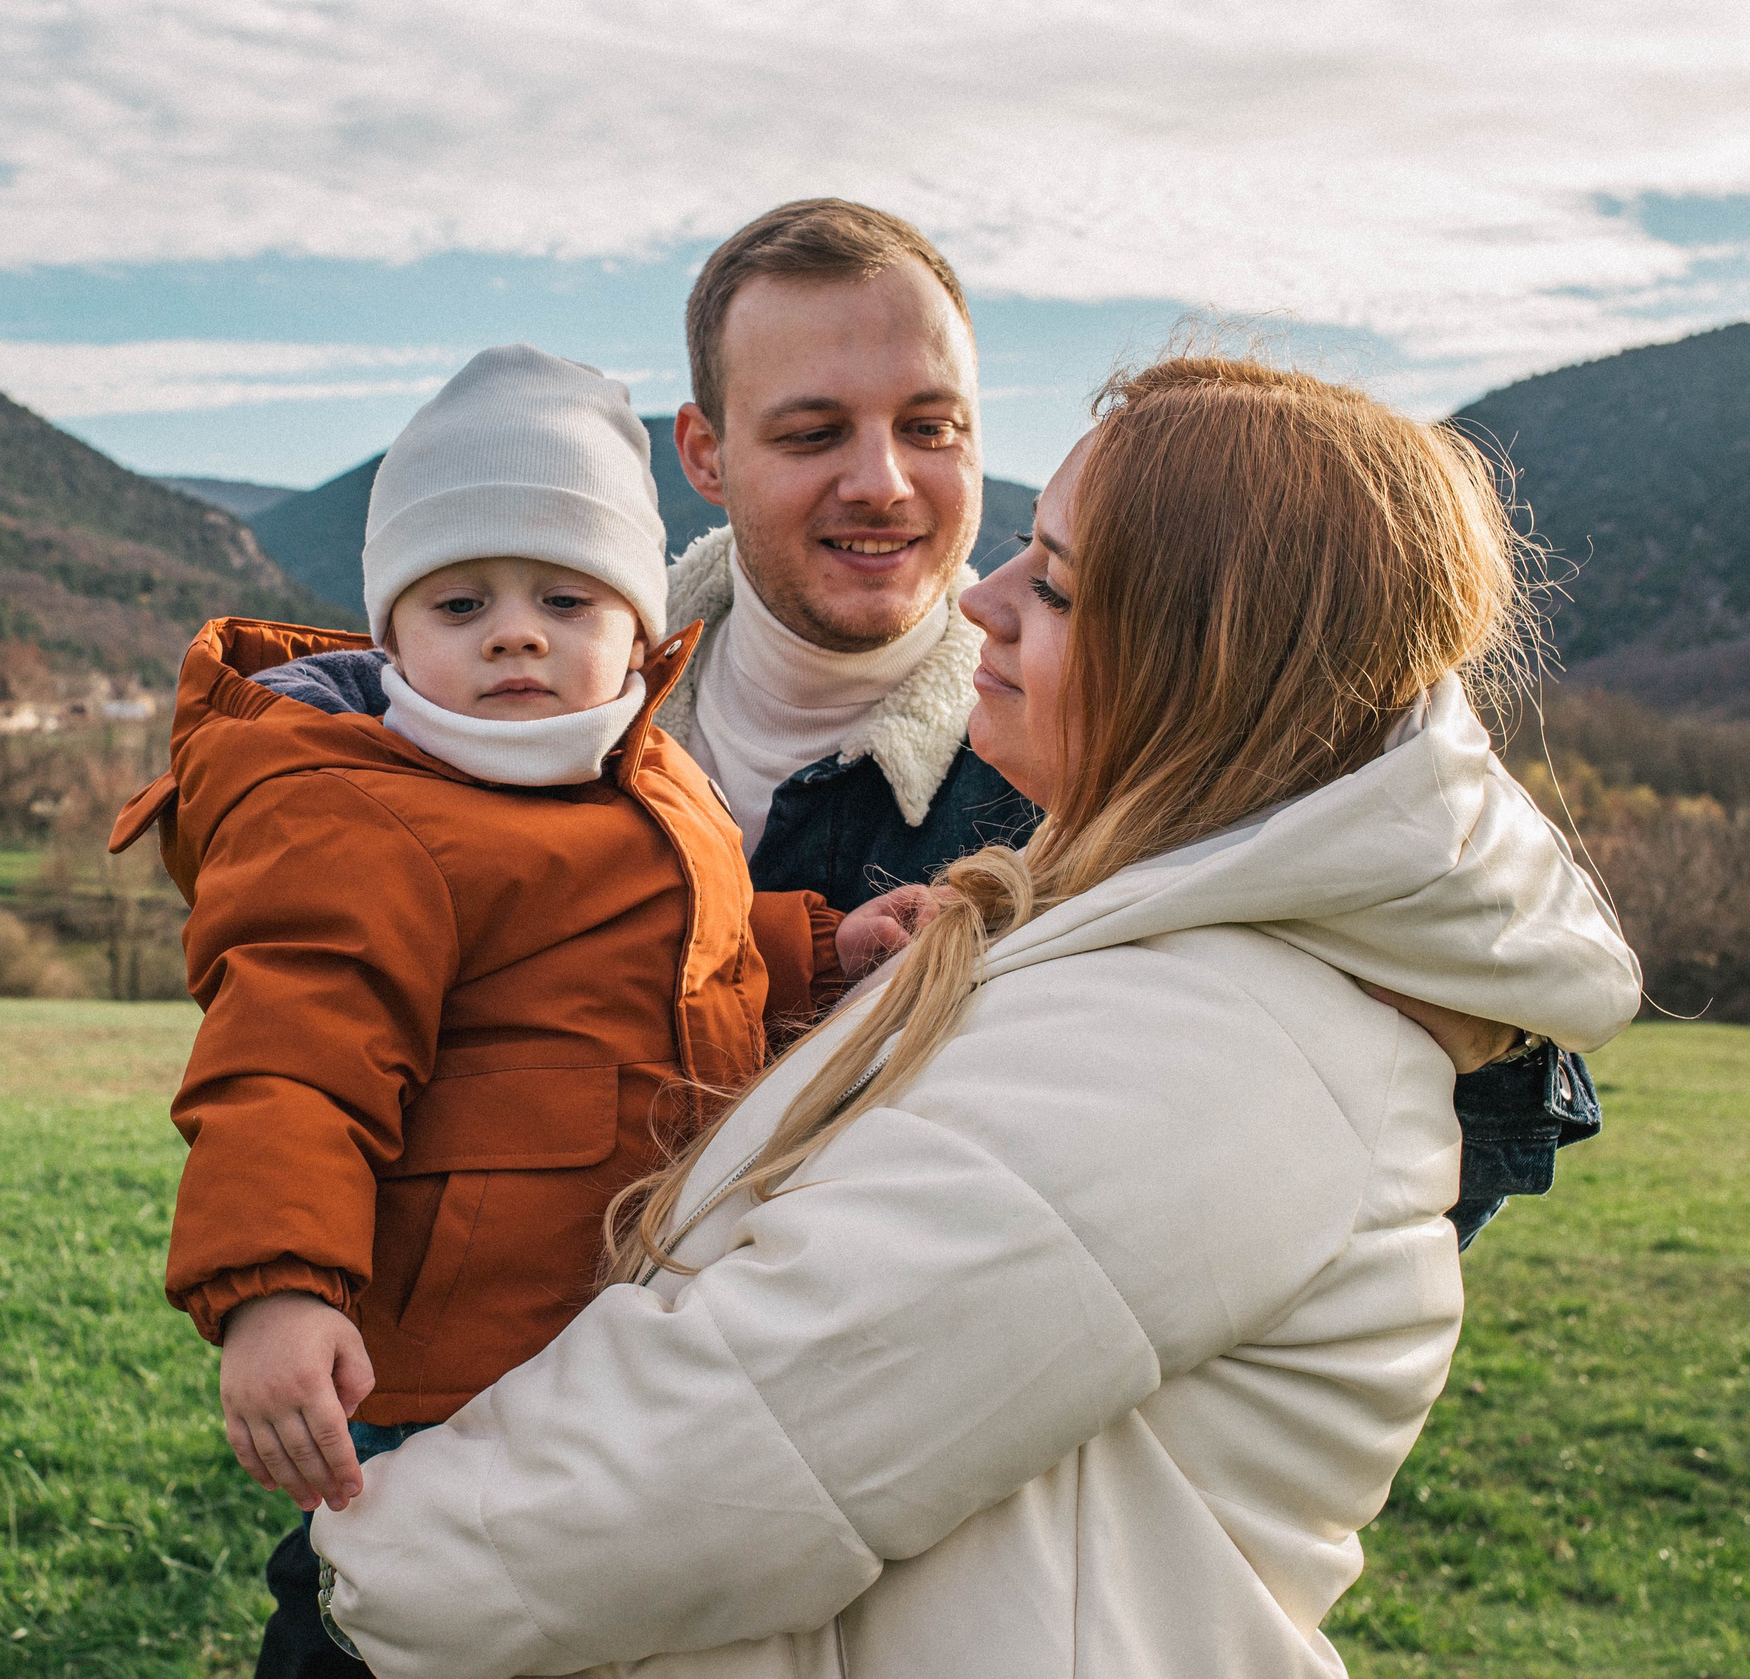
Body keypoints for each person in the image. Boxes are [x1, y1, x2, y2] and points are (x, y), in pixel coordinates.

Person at [311, 357, 1641, 1678]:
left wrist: (363, 1564)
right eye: (1022, 551)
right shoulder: (1161, 962)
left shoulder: (1204, 1053)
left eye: (1055, 584)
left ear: (1205, 670)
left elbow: (736, 1443)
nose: (983, 602)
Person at [653, 198, 1599, 1246]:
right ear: (702, 451)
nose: (882, 482)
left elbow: (1411, 1162)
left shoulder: (1114, 759)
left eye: (931, 428)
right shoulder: (543, 723)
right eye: (812, 431)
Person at [107, 346, 843, 1679]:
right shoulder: (358, 813)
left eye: (565, 595)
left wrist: (828, 948)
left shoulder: (651, 777)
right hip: (448, 1363)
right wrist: (276, 1284)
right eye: (461, 600)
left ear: (640, 623)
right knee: (420, 1627)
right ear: (392, 633)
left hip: (605, 1330)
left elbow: (692, 965)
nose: (515, 631)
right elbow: (290, 1069)